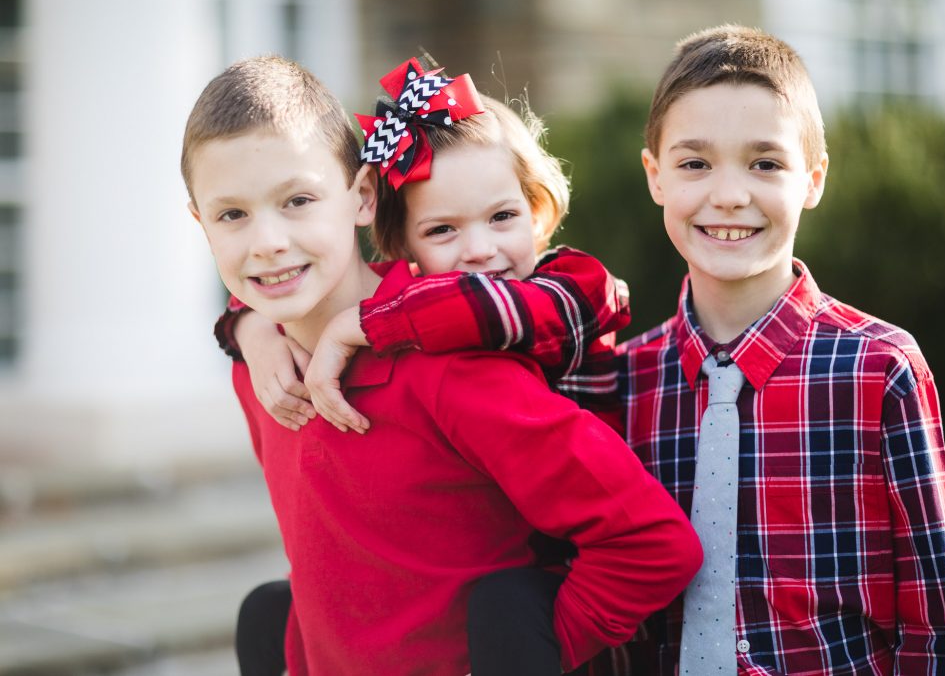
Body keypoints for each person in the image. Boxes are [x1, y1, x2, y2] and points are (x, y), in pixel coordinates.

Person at [184, 55, 701, 676]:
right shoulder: (261, 369)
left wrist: (524, 652)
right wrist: (248, 324)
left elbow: (651, 544)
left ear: (363, 198)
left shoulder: (451, 359)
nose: (266, 240)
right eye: (232, 214)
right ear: (199, 222)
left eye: (297, 200)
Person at [619, 24, 945, 673]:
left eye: (765, 162)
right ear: (656, 176)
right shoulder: (624, 383)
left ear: (812, 178)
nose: (729, 193)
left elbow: (938, 631)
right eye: (695, 162)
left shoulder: (881, 371)